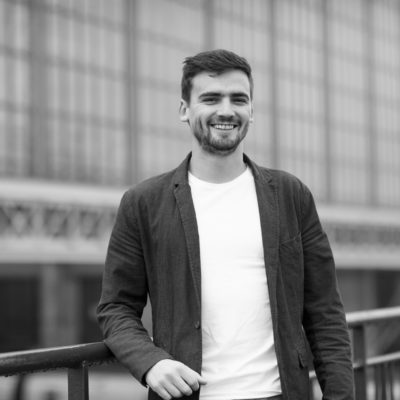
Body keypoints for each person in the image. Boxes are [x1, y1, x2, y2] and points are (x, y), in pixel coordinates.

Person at [97, 49, 354, 400]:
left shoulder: (291, 195)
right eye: (211, 98)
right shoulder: (143, 203)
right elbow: (116, 308)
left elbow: (325, 312)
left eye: (239, 99)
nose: (226, 110)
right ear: (184, 110)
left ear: (251, 111)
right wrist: (151, 363)